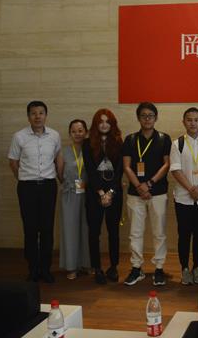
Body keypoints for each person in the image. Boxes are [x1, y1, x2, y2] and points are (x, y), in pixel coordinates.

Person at [8, 101, 62, 283]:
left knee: (47, 229)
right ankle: (32, 268)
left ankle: (46, 269)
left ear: (46, 115)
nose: (37, 116)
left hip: (48, 187)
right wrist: (23, 178)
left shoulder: (54, 135)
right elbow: (13, 162)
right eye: (33, 113)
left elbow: (57, 157)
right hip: (27, 188)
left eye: (41, 113)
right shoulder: (19, 136)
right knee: (30, 229)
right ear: (28, 116)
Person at [122, 102, 171, 286]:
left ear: (156, 118)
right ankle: (136, 268)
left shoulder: (163, 139)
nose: (147, 119)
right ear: (138, 118)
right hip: (135, 194)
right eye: (143, 115)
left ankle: (159, 268)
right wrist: (139, 186)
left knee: (159, 232)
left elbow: (166, 164)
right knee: (135, 233)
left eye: (150, 115)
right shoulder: (130, 139)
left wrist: (149, 184)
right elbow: (127, 166)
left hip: (158, 192)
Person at [170, 107, 198, 285]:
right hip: (183, 198)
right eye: (189, 120)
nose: (193, 123)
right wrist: (191, 189)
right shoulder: (177, 144)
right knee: (184, 235)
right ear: (184, 122)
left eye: (196, 120)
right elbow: (176, 170)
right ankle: (184, 269)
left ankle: (197, 267)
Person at [83, 109, 124, 284]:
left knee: (114, 231)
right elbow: (90, 170)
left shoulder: (119, 142)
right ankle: (97, 268)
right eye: (101, 121)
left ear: (112, 124)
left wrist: (111, 193)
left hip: (114, 193)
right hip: (94, 193)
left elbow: (120, 170)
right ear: (95, 124)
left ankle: (113, 267)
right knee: (94, 232)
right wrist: (101, 192)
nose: (104, 125)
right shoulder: (87, 143)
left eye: (108, 121)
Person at [58, 119, 91, 280]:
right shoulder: (63, 151)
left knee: (86, 229)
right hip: (70, 194)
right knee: (70, 230)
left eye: (80, 130)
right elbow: (59, 174)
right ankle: (71, 267)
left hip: (88, 195)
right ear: (69, 133)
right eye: (73, 131)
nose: (77, 134)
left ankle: (86, 264)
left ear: (86, 132)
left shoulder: (91, 150)